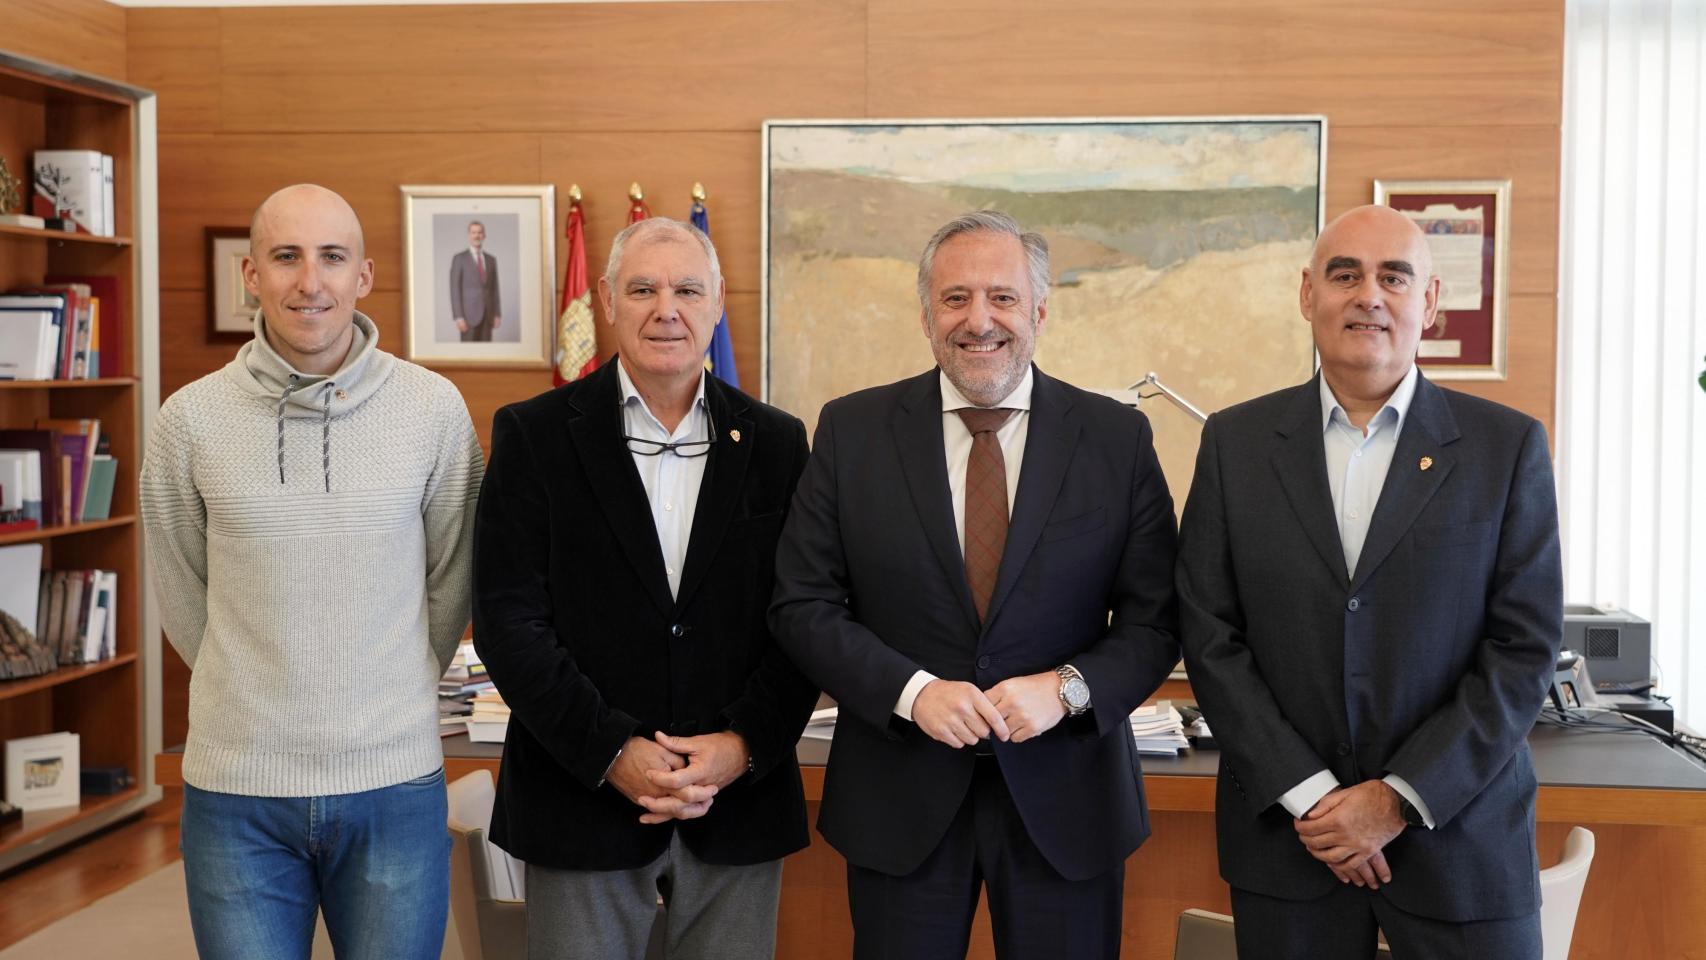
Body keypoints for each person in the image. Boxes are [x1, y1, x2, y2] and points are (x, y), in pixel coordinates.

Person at [769, 210, 1180, 960]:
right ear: (927, 317)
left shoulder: (1116, 440)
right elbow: (802, 605)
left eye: (1003, 297)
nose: (979, 320)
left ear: (1040, 312)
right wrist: (912, 691)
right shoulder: (852, 431)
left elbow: (1156, 621)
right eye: (955, 299)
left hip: (1069, 802)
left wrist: (1066, 690)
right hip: (901, 800)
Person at [1176, 204, 1563, 959]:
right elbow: (1209, 633)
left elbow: (1524, 648)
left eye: (1394, 276)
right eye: (1344, 275)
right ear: (1306, 294)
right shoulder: (1235, 443)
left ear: (1429, 303)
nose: (1369, 296)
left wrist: (1397, 799)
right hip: (1294, 848)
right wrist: (1315, 798)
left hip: (1462, 849)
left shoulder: (1506, 447)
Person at [140, 183, 483, 960]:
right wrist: (255, 690)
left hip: (394, 781)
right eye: (286, 257)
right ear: (251, 275)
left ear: (364, 275)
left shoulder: (433, 410)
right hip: (236, 793)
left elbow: (453, 575)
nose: (310, 280)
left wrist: (391, 681)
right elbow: (182, 590)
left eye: (332, 257)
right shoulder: (187, 420)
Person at [474, 217, 819, 960]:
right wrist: (611, 751)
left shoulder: (778, 442)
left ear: (718, 302)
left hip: (738, 803)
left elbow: (806, 617)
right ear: (605, 300)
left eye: (688, 289)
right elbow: (508, 621)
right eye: (643, 288)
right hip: (581, 797)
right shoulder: (533, 435)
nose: (668, 308)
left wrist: (741, 745)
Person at [450, 219, 500, 341]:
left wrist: (497, 314)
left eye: (479, 232)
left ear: (484, 235)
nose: (477, 235)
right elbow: (454, 289)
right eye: (473, 232)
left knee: (487, 356)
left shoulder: (491, 260)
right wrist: (458, 317)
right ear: (469, 235)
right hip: (468, 317)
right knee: (467, 356)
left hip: (488, 316)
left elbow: (495, 289)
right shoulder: (459, 259)